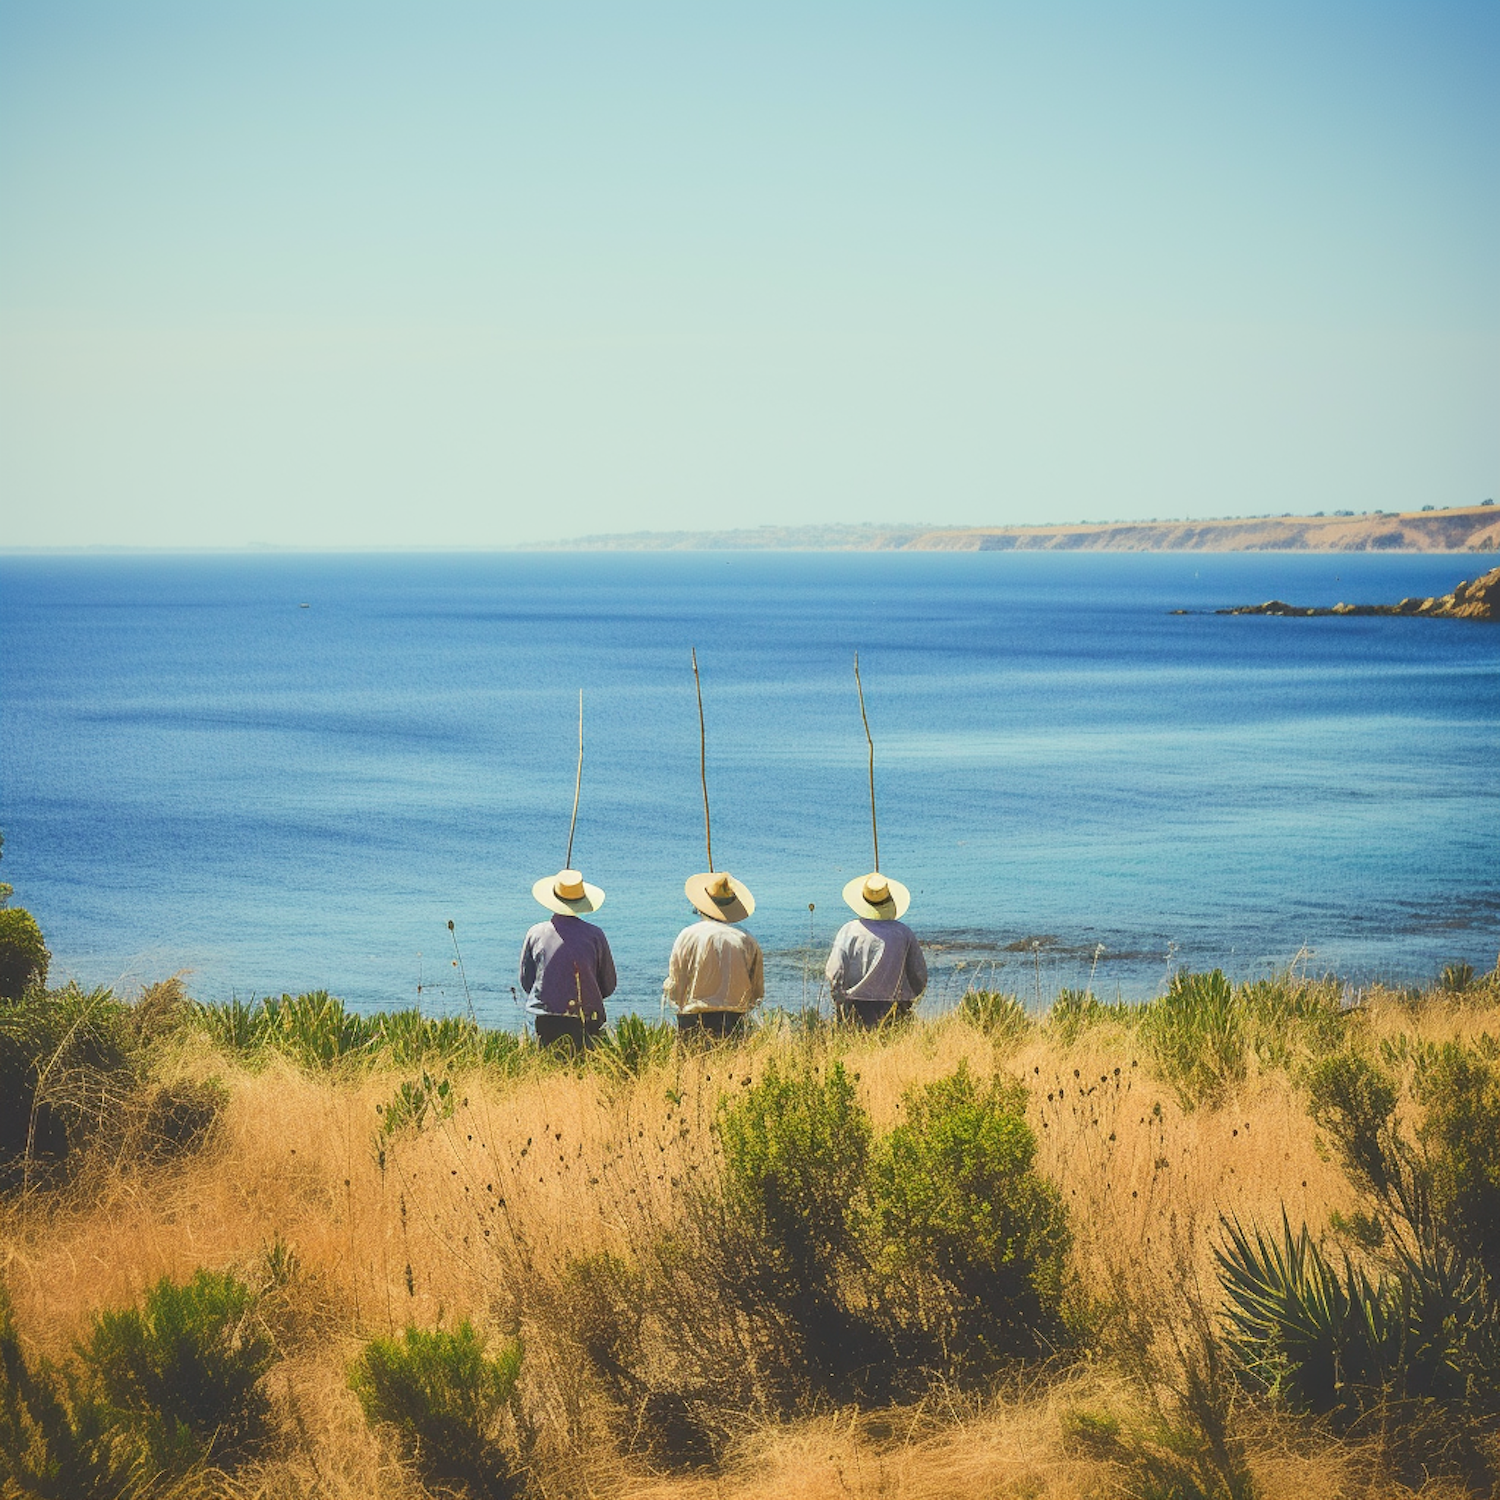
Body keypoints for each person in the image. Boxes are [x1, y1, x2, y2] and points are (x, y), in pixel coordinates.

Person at [518, 868, 616, 1049]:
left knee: (548, 1070)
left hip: (546, 1020)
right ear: (581, 901)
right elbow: (608, 985)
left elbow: (527, 982)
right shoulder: (595, 935)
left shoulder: (535, 933)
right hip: (586, 1018)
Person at [663, 870, 764, 1038]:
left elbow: (676, 982)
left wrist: (679, 1003)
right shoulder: (747, 940)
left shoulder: (688, 936)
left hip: (693, 1016)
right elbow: (757, 990)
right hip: (735, 1019)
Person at [825, 871, 927, 1028]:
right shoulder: (903, 933)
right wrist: (909, 999)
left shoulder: (849, 931)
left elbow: (835, 971)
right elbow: (918, 973)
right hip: (895, 1006)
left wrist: (839, 1000)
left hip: (854, 1005)